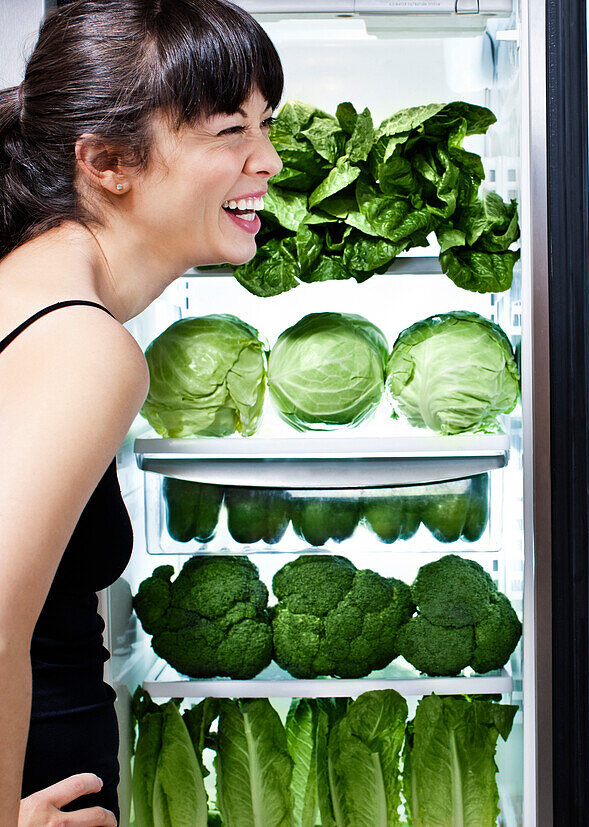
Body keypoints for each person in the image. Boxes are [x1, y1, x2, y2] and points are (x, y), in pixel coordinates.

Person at [0, 1, 283, 823]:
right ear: (108, 161)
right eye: (230, 130)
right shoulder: (82, 342)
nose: (266, 159)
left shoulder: (33, 283)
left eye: (266, 124)